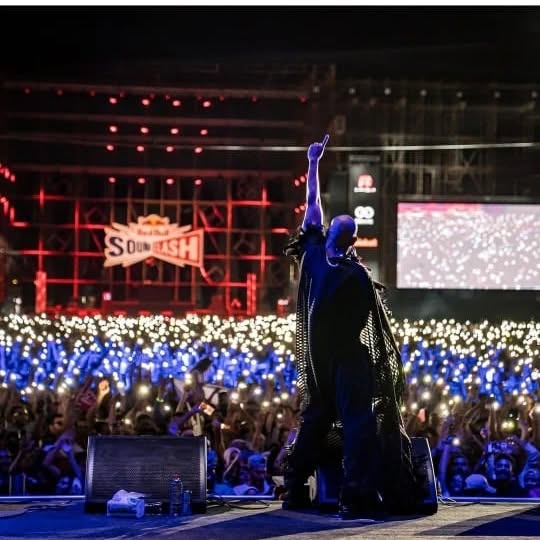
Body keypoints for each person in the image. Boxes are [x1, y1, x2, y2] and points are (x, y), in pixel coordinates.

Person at [283, 134, 421, 519]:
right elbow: (369, 324)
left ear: (328, 232)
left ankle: (294, 489)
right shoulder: (358, 275)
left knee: (314, 422)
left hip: (320, 365)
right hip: (349, 362)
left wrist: (313, 163)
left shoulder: (312, 256)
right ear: (354, 241)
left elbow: (312, 203)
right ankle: (354, 495)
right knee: (358, 426)